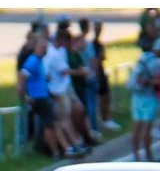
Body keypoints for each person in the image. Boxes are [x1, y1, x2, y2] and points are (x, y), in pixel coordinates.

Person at [18, 34, 68, 160]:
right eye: (42, 47)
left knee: (51, 123)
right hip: (39, 97)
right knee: (50, 124)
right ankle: (55, 151)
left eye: (46, 47)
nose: (44, 50)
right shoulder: (33, 61)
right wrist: (25, 96)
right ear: (35, 47)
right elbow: (23, 75)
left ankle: (58, 148)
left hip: (43, 95)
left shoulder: (39, 61)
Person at [44, 28, 88, 156]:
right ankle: (73, 144)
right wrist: (80, 73)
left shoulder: (61, 50)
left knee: (77, 111)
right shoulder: (52, 54)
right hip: (58, 89)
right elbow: (64, 70)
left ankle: (78, 139)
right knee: (65, 117)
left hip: (66, 86)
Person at [129, 43, 160, 161]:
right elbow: (158, 80)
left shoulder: (142, 58)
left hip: (136, 97)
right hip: (149, 97)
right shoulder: (155, 62)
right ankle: (149, 155)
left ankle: (136, 155)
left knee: (136, 126)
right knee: (146, 128)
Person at [93, 21, 120, 130]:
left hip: (101, 70)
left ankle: (106, 117)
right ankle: (104, 118)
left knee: (107, 96)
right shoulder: (94, 44)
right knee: (103, 96)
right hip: (98, 72)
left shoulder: (99, 43)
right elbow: (98, 58)